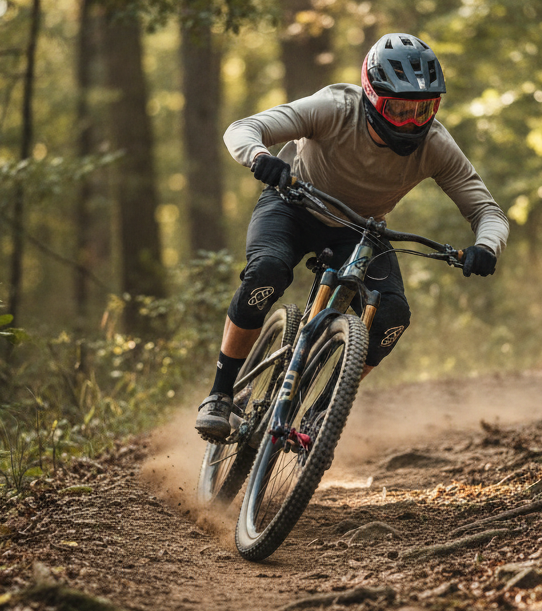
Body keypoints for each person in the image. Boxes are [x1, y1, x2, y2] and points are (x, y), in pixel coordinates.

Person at [195, 32, 510, 442]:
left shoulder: (435, 145)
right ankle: (220, 394)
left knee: (392, 316)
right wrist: (260, 157)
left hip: (360, 228)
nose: (412, 123)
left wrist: (485, 247)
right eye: (399, 109)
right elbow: (244, 128)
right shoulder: (333, 108)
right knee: (268, 271)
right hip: (292, 205)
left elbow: (487, 211)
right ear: (372, 95)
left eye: (424, 110)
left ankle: (324, 411)